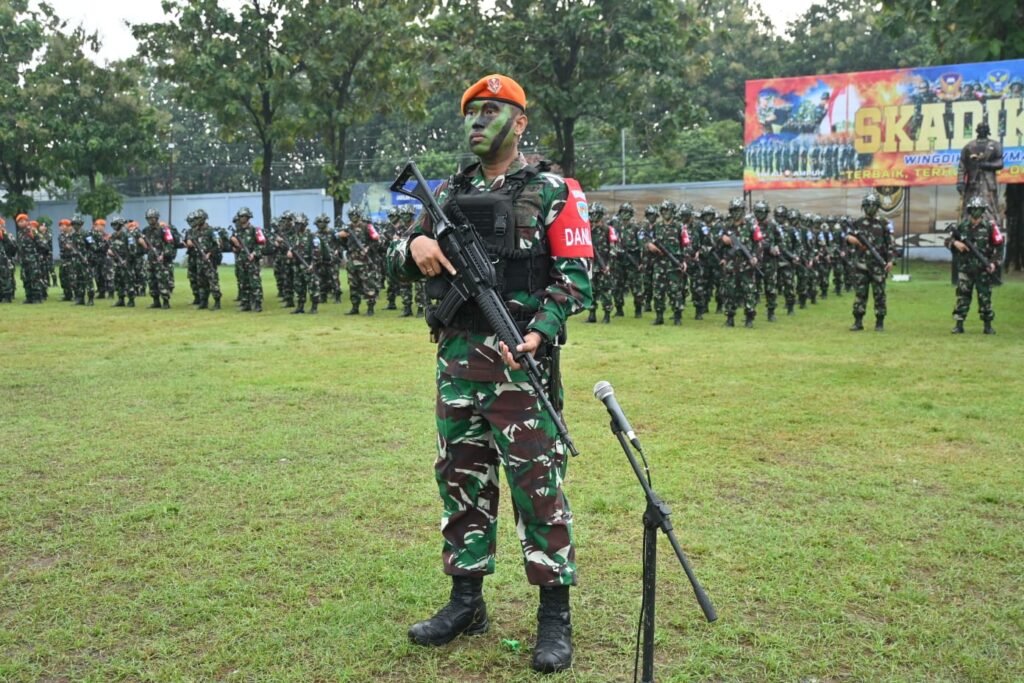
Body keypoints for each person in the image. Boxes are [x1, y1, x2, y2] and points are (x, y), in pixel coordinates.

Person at [387, 74, 591, 674]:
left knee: (538, 488)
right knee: (460, 481)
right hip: (457, 366)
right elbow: (398, 256)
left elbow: (577, 280)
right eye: (472, 112)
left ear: (519, 123)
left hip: (519, 367)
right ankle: (466, 602)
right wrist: (414, 249)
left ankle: (554, 617)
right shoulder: (446, 192)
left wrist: (538, 332)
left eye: (492, 111)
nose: (477, 121)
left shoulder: (554, 190)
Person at [947, 196, 1004, 334]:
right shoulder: (962, 227)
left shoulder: (990, 227)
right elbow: (948, 240)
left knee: (985, 297)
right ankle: (959, 325)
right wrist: (955, 243)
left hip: (983, 269)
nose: (976, 212)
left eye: (978, 209)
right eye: (973, 209)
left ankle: (987, 326)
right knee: (962, 297)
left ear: (983, 210)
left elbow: (999, 247)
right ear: (969, 210)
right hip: (965, 268)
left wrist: (994, 263)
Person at [847, 192, 896, 331]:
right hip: (861, 265)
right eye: (868, 205)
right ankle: (858, 321)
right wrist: (852, 240)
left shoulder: (884, 223)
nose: (870, 208)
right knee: (860, 294)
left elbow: (891, 244)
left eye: (873, 205)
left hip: (878, 266)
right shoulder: (858, 223)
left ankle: (879, 322)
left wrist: (890, 261)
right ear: (863, 206)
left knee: (879, 295)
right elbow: (847, 237)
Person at [957, 122, 1003, 222]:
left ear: (988, 130)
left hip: (988, 183)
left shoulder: (995, 145)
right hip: (972, 183)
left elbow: (1000, 163)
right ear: (977, 130)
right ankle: (968, 225)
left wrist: (986, 165)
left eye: (985, 128)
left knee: (990, 206)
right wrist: (960, 181)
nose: (982, 130)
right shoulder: (969, 146)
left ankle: (992, 225)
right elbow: (962, 166)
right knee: (970, 207)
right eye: (981, 128)